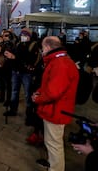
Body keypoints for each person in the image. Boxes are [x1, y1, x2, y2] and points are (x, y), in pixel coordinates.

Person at [32, 36, 79, 171]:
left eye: (42, 47)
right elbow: (48, 84)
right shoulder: (58, 61)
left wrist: (37, 99)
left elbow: (53, 92)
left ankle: (56, 168)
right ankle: (52, 164)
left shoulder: (60, 64)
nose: (42, 51)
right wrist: (38, 93)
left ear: (47, 47)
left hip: (56, 110)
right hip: (54, 109)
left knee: (54, 144)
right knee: (52, 142)